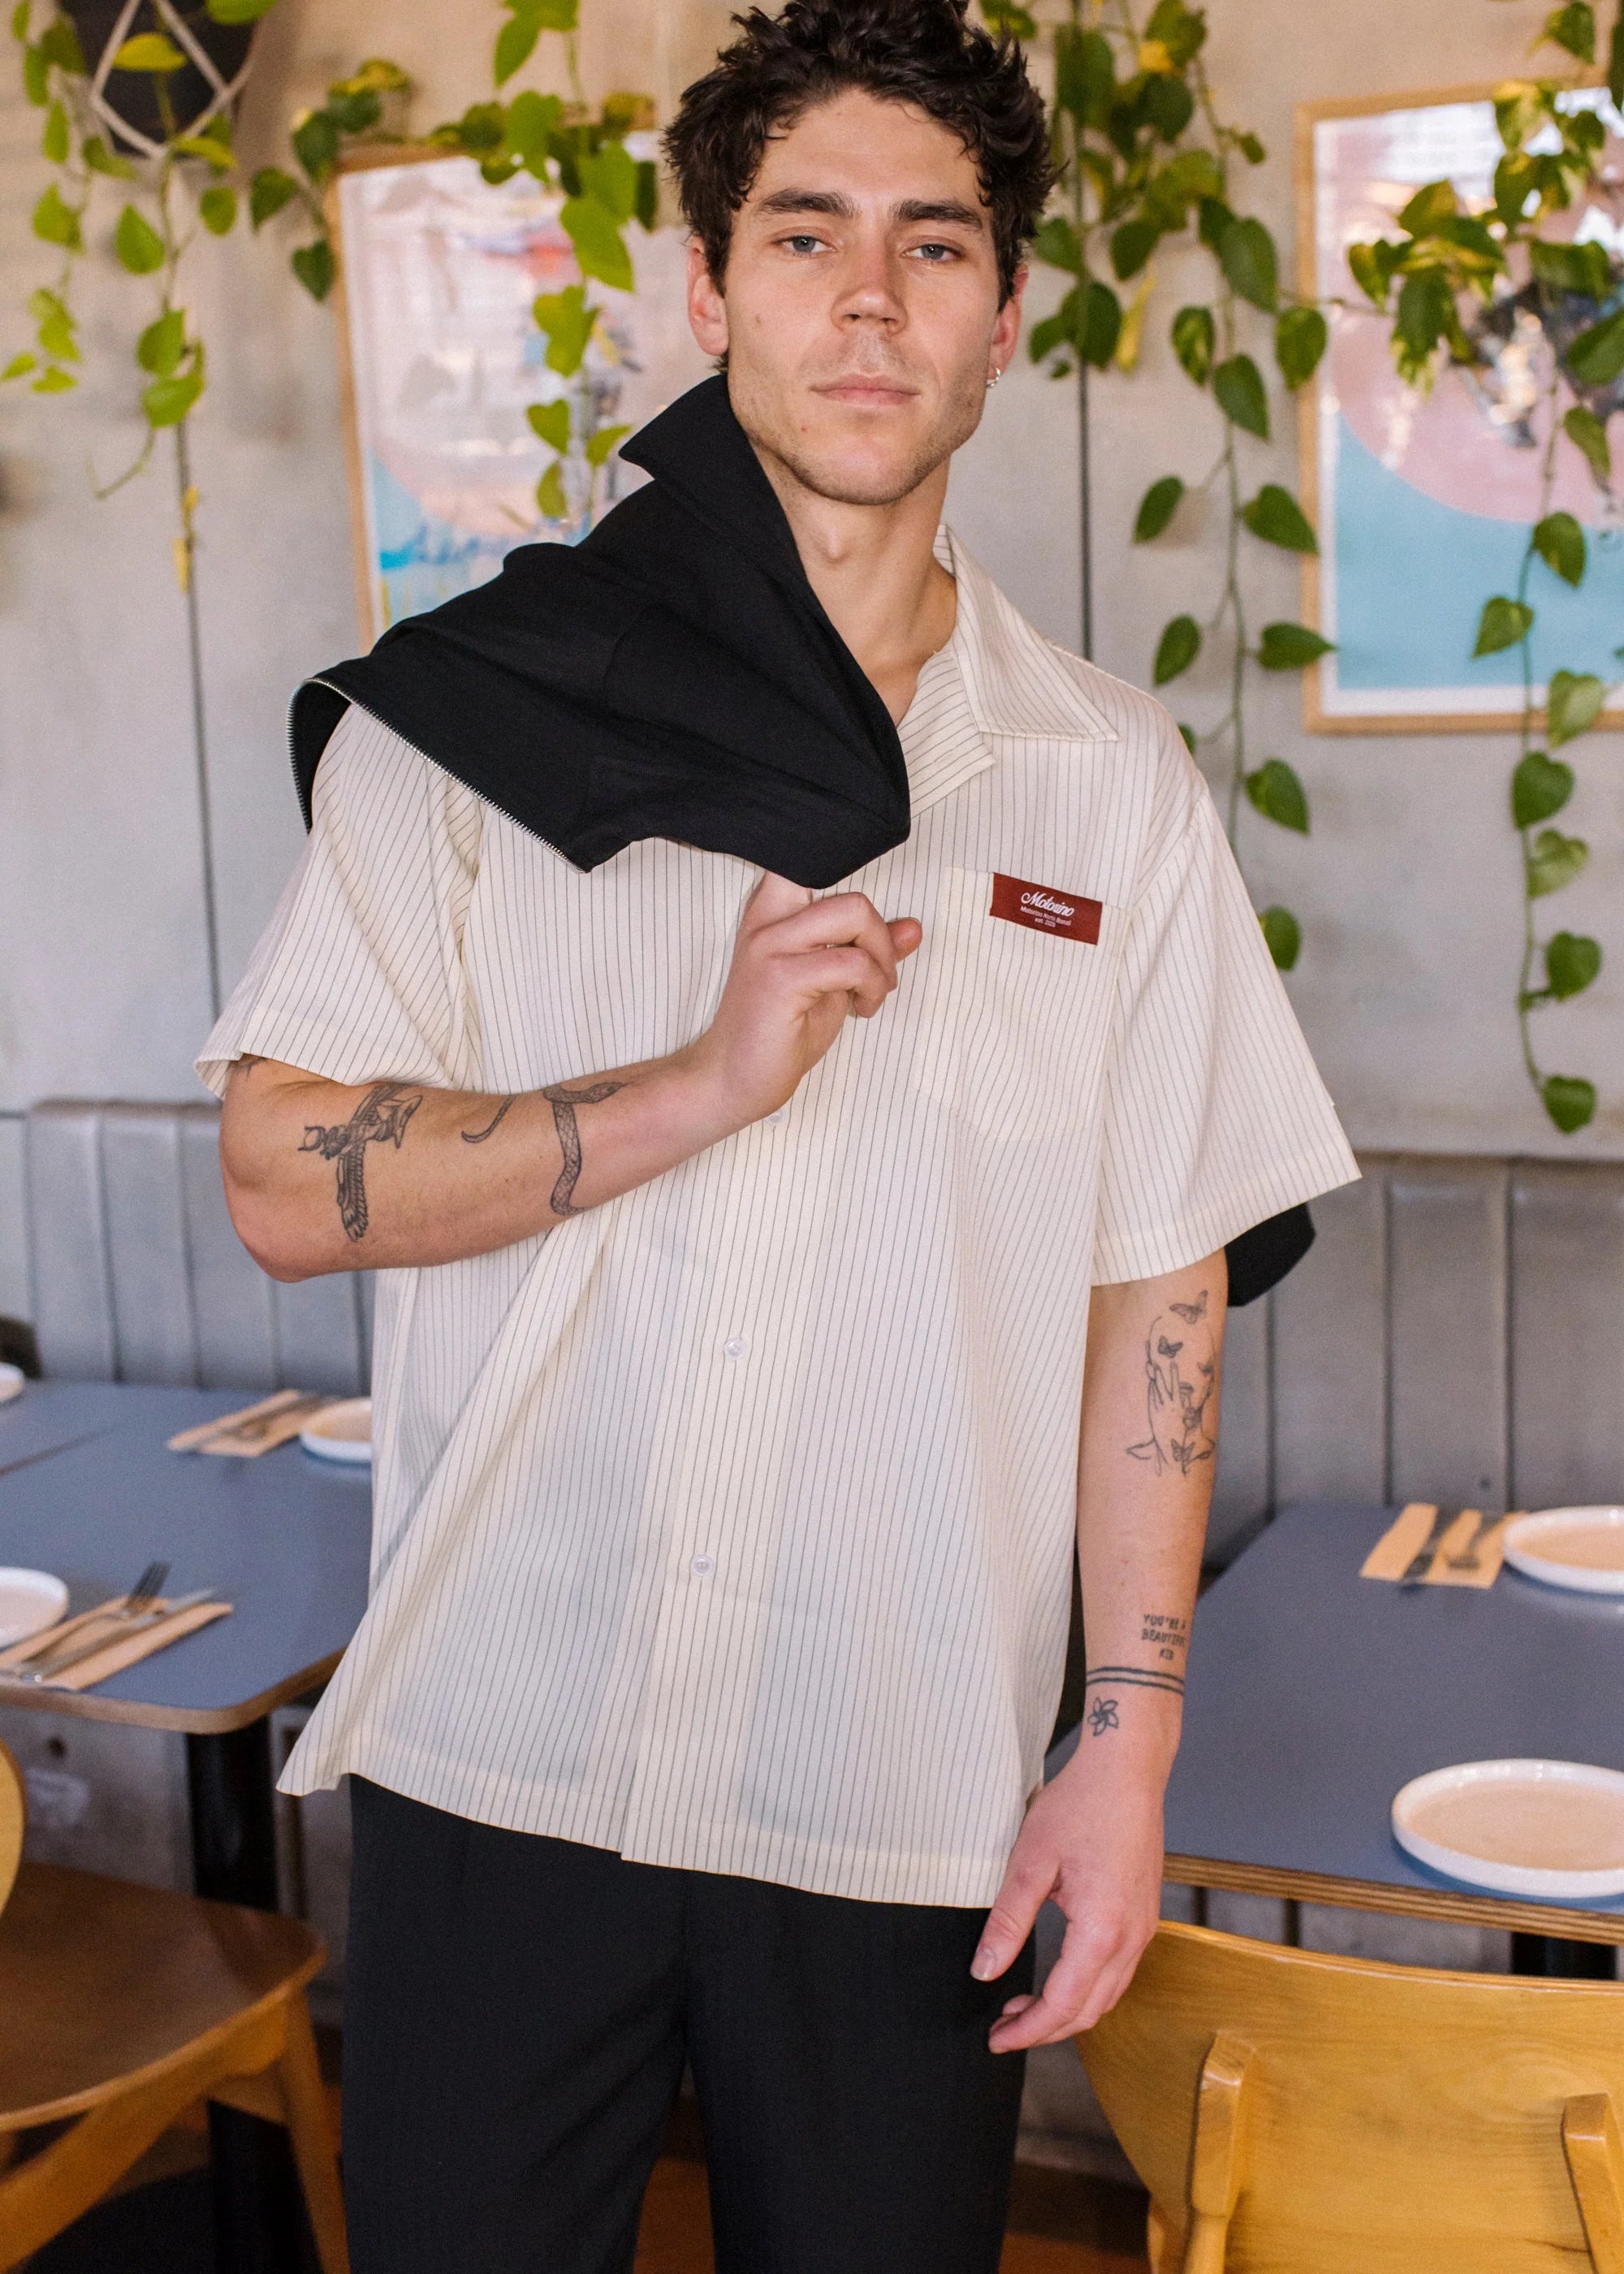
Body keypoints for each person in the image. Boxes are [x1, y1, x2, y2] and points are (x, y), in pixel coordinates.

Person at [201, 3, 1356, 2267]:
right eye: (806, 233)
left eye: (936, 247)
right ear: (706, 292)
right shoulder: (464, 728)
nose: (869, 296)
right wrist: (692, 1087)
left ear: (1004, 324)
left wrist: (1123, 1751)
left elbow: (1163, 1271)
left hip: (897, 1781)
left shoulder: (1106, 788)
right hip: (499, 1744)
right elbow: (275, 1175)